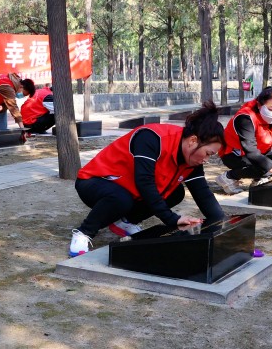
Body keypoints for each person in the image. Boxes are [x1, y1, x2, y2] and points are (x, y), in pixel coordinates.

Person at [69, 102, 227, 258]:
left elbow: (203, 194)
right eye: (208, 153)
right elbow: (145, 183)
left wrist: (223, 227)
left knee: (176, 193)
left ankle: (125, 222)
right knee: (121, 199)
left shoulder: (191, 159)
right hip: (94, 182)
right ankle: (84, 232)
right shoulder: (153, 138)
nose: (207, 159)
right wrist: (172, 219)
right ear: (193, 141)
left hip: (130, 192)